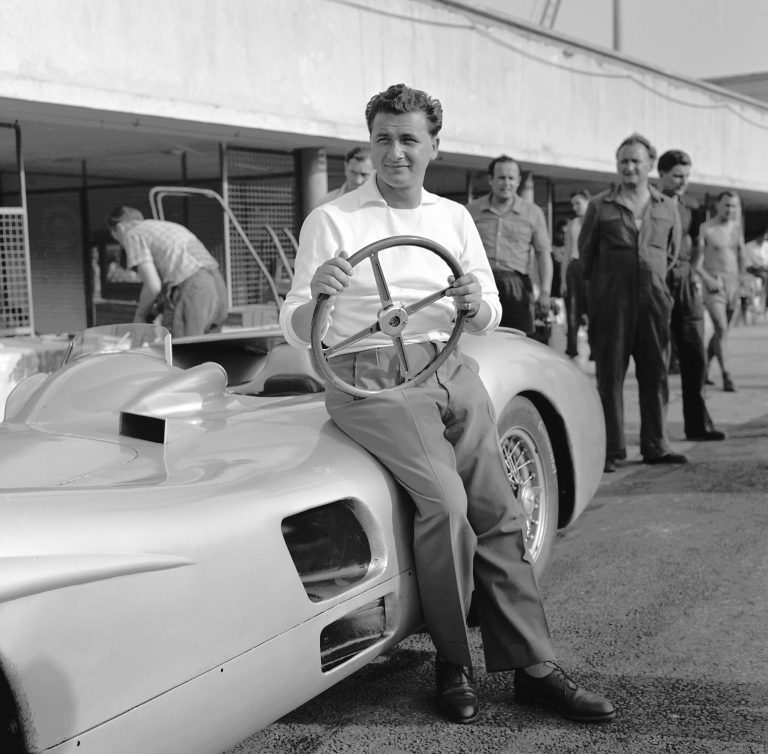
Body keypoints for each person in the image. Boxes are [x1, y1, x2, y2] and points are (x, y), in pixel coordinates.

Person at [280, 83, 614, 726]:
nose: (395, 152)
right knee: (447, 504)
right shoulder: (333, 220)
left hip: (447, 365)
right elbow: (297, 325)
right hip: (369, 378)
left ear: (434, 145)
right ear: (369, 143)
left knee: (499, 508)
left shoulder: (453, 218)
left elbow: (487, 312)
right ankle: (452, 662)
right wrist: (316, 296)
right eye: (382, 138)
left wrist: (472, 302)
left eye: (409, 139)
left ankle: (534, 667)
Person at [579, 133, 686, 473]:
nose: (629, 167)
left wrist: (653, 283)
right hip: (612, 304)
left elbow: (672, 254)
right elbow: (586, 258)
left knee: (655, 374)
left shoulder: (667, 206)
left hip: (654, 302)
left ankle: (656, 445)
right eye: (623, 161)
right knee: (609, 377)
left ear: (650, 164)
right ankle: (612, 449)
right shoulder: (600, 206)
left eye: (636, 161)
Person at [657, 150, 725, 441]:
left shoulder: (692, 206)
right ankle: (657, 436)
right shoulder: (651, 203)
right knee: (657, 360)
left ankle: (697, 426)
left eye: (686, 175)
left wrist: (693, 271)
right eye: (677, 176)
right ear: (661, 175)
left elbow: (697, 243)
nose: (683, 181)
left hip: (685, 280)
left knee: (695, 355)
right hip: (659, 280)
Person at [107, 206, 228, 338]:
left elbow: (153, 286)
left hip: (194, 289)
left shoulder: (133, 234)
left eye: (118, 240)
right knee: (210, 347)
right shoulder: (164, 227)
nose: (123, 244)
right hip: (218, 286)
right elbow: (174, 275)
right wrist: (156, 310)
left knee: (184, 348)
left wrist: (140, 316)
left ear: (119, 228)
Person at [467, 156, 553, 337]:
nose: (506, 183)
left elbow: (543, 254)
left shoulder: (533, 212)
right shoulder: (470, 211)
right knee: (477, 338)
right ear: (491, 179)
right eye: (501, 177)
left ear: (519, 181)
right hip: (480, 285)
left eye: (511, 178)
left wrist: (545, 292)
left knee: (518, 338)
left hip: (517, 287)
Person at [697, 191, 744, 392]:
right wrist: (708, 280)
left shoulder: (736, 228)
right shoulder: (706, 228)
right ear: (718, 205)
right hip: (714, 285)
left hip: (734, 285)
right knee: (721, 329)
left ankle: (703, 371)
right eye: (727, 205)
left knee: (721, 334)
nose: (730, 210)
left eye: (734, 206)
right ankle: (727, 375)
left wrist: (742, 281)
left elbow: (741, 257)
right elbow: (696, 264)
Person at [562, 190, 590, 360]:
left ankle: (596, 349)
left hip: (591, 268)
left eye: (578, 203)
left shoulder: (595, 222)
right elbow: (566, 252)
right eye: (573, 204)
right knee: (572, 309)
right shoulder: (572, 224)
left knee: (594, 309)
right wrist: (563, 281)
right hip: (574, 266)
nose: (575, 208)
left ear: (588, 202)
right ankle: (571, 349)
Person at [743, 227, 768, 314]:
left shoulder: (766, 245)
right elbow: (747, 263)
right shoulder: (748, 246)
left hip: (764, 270)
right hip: (753, 271)